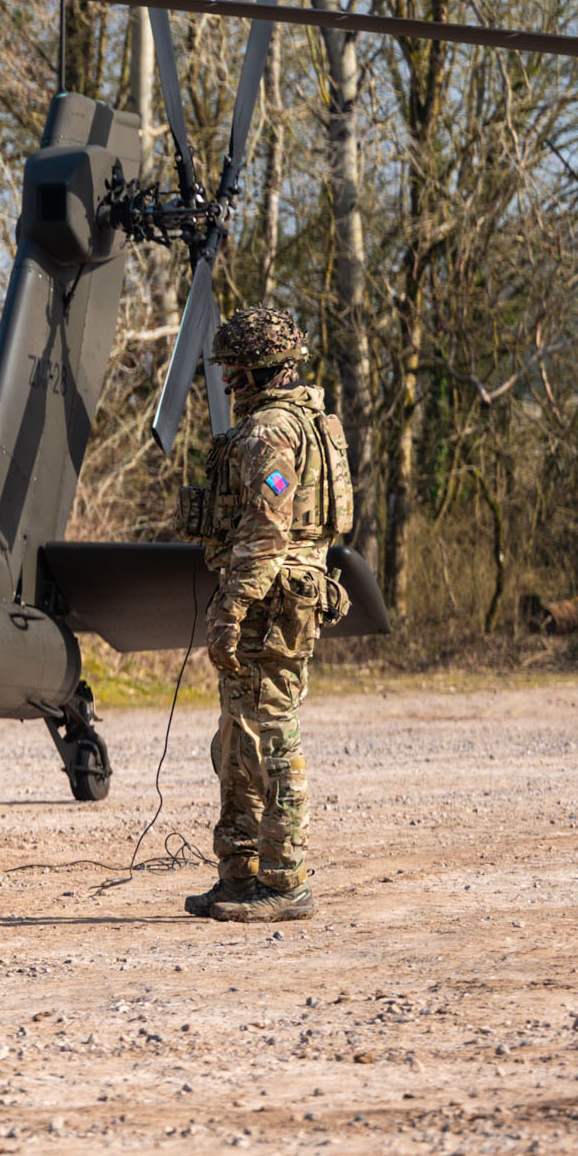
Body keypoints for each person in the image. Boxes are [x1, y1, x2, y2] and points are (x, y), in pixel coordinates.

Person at [187, 306, 352, 925]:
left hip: (269, 604)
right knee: (237, 737)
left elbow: (265, 530)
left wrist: (231, 607)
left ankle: (283, 882)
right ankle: (239, 874)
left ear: (256, 373)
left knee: (270, 737)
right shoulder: (305, 424)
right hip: (280, 597)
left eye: (233, 373)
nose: (227, 384)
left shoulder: (271, 434)